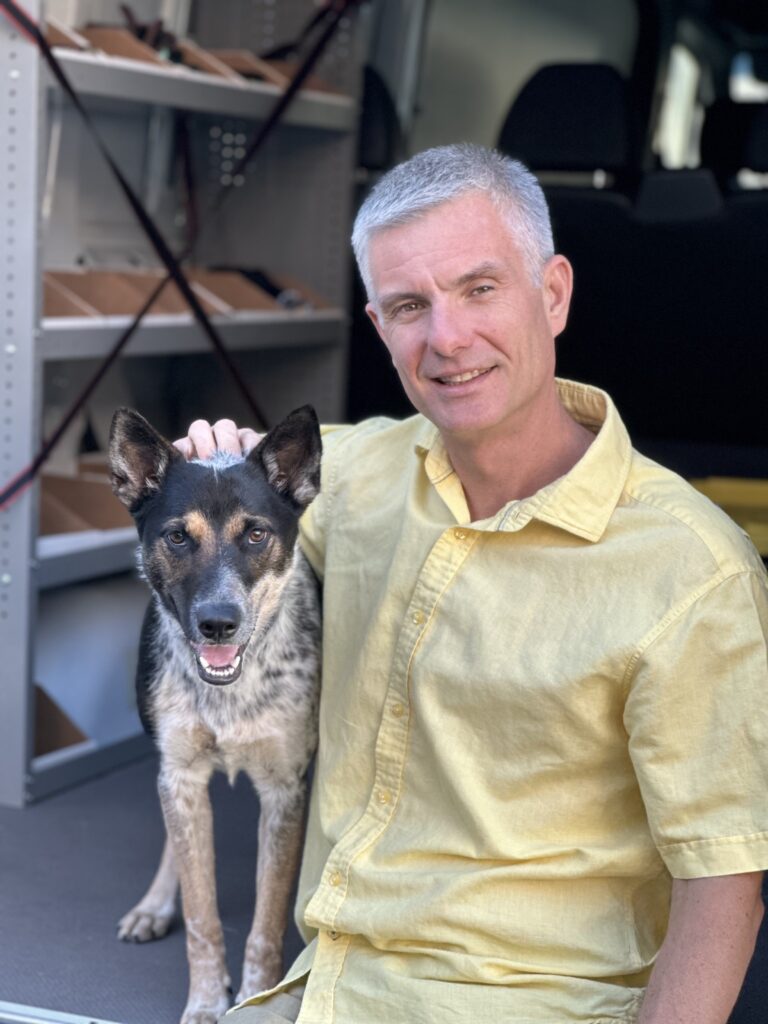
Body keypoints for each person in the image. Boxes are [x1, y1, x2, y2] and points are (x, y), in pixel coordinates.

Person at [175, 144, 768, 1024]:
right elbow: (239, 495)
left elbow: (724, 885)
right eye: (410, 306)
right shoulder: (358, 470)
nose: (447, 339)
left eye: (480, 288)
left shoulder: (694, 571)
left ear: (555, 293)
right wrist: (211, 460)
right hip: (321, 991)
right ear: (378, 328)